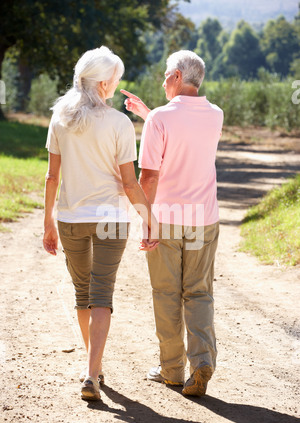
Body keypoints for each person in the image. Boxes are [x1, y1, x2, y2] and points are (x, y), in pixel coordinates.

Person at [43, 46, 157, 401]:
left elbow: (51, 176)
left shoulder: (60, 116)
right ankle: (92, 372)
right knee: (101, 295)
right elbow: (129, 183)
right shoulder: (120, 123)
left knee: (83, 295)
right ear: (105, 83)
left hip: (70, 218)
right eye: (117, 80)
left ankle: (92, 369)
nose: (117, 84)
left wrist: (47, 221)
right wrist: (148, 218)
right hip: (111, 219)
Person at [121, 50, 223, 397]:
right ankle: (202, 361)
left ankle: (171, 370)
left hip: (165, 219)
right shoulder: (215, 115)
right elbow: (186, 138)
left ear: (177, 76)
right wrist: (148, 114)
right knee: (198, 292)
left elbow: (148, 178)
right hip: (203, 220)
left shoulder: (160, 121)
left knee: (166, 293)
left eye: (166, 75)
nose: (163, 81)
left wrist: (146, 222)